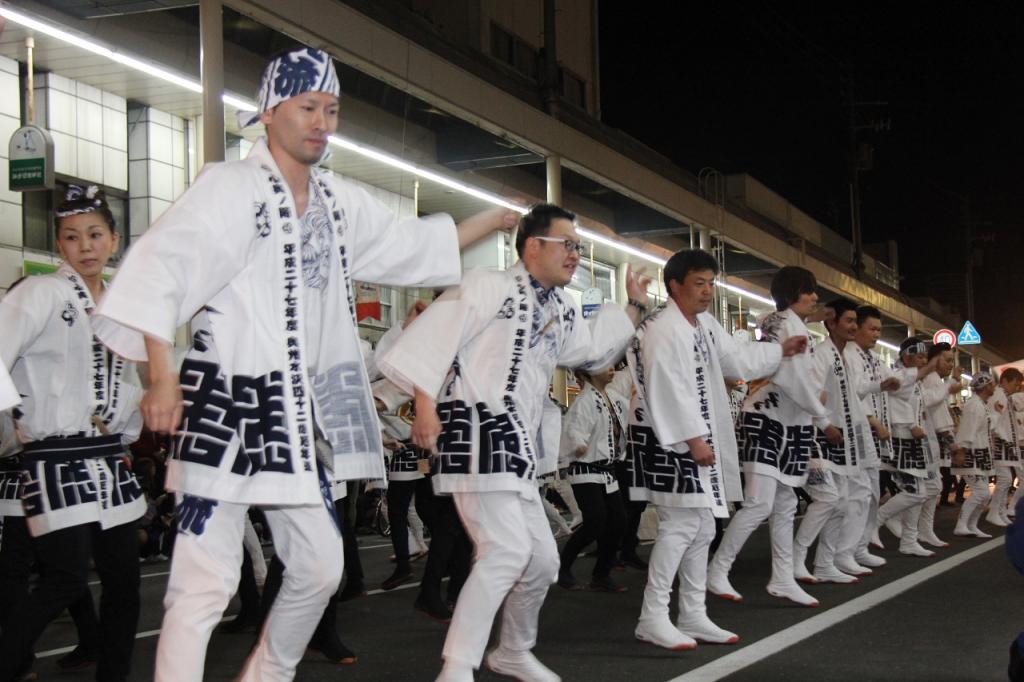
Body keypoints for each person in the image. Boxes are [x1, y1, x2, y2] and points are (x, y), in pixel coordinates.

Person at [91, 46, 517, 682]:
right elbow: (161, 269)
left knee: (321, 565)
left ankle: (268, 673)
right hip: (227, 404)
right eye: (308, 106)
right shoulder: (229, 186)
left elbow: (408, 244)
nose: (322, 121)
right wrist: (159, 375)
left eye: (332, 109)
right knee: (203, 584)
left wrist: (493, 218)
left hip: (294, 420)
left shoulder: (337, 201)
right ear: (269, 112)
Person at [378, 203, 651, 682]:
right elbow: (434, 337)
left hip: (516, 447)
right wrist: (424, 407)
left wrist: (633, 305)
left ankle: (512, 650)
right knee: (505, 552)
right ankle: (457, 666)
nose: (576, 256)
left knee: (542, 561)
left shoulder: (561, 308)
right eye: (567, 245)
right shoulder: (489, 283)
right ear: (532, 246)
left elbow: (592, 352)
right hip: (475, 428)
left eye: (578, 248)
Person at [626, 249, 808, 650]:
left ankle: (691, 614)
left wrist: (780, 350)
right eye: (699, 283)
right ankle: (652, 616)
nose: (707, 291)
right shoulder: (661, 326)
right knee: (681, 525)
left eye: (711, 283)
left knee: (704, 525)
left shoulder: (703, 323)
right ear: (675, 285)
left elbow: (737, 358)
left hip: (693, 435)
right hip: (667, 435)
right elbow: (664, 385)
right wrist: (693, 438)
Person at [0, 186, 146, 682]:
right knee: (63, 577)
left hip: (108, 457)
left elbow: (128, 381)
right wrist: (13, 424)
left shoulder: (123, 307)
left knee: (126, 584)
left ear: (113, 240)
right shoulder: (40, 293)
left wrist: (126, 438)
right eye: (71, 236)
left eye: (95, 234)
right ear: (59, 245)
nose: (85, 245)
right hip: (54, 455)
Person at [708, 266, 829, 607]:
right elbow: (792, 378)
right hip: (765, 420)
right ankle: (718, 569)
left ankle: (782, 577)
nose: (815, 297)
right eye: (809, 291)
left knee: (786, 502)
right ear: (792, 295)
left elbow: (801, 380)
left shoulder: (794, 326)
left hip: (788, 424)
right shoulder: (781, 323)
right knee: (759, 502)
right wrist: (823, 418)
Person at [793, 298, 877, 581]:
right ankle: (796, 557)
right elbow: (810, 394)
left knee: (841, 501)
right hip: (818, 438)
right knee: (828, 499)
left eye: (855, 321)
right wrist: (825, 423)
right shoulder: (822, 354)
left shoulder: (842, 355)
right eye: (849, 321)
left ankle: (825, 563)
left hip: (840, 439)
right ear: (831, 324)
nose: (853, 327)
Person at [557, 365, 631, 592]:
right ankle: (563, 567)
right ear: (586, 373)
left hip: (608, 470)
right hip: (586, 469)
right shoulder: (584, 401)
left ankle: (601, 574)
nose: (610, 369)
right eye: (604, 366)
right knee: (595, 522)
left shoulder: (613, 398)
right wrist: (578, 444)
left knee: (618, 522)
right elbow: (573, 429)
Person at [844, 304, 906, 563]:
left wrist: (924, 371)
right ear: (856, 327)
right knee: (852, 495)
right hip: (854, 431)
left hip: (868, 433)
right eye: (872, 328)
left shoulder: (872, 358)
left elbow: (896, 381)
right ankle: (844, 551)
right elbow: (853, 391)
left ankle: (858, 547)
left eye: (880, 329)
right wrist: (873, 421)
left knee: (868, 491)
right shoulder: (848, 354)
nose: (877, 334)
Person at [875, 338, 941, 556]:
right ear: (906, 356)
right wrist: (911, 424)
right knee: (917, 491)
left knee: (918, 491)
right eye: (920, 356)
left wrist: (948, 386)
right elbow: (893, 401)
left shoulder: (915, 380)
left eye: (925, 357)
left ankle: (909, 539)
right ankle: (878, 520)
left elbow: (917, 402)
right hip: (899, 438)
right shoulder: (898, 374)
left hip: (911, 439)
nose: (923, 360)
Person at [917, 342, 962, 546]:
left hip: (930, 439)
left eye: (952, 361)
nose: (951, 364)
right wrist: (954, 446)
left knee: (929, 487)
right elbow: (938, 415)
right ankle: (891, 519)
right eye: (948, 360)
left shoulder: (934, 380)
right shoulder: (932, 380)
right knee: (928, 486)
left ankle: (921, 530)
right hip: (924, 438)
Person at [953, 373, 997, 538]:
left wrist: (997, 413)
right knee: (981, 492)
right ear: (985, 386)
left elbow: (987, 426)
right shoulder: (974, 405)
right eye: (992, 384)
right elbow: (967, 429)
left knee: (985, 493)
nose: (994, 387)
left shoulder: (980, 404)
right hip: (971, 453)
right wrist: (962, 450)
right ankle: (962, 524)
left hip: (980, 453)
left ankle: (971, 525)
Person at [988, 368, 1023, 526]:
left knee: (1006, 480)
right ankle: (996, 511)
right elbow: (994, 420)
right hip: (1000, 442)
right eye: (1016, 384)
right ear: (1006, 380)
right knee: (1005, 479)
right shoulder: (999, 394)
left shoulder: (1005, 395)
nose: (1017, 388)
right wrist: (999, 438)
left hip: (1006, 442)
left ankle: (1000, 511)